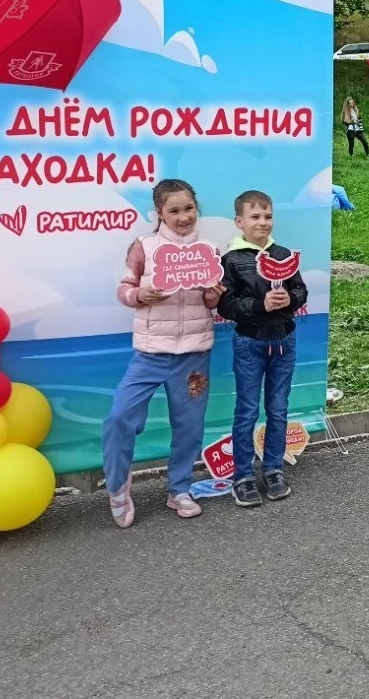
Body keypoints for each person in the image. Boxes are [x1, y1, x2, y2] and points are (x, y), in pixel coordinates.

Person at [102, 179, 224, 527]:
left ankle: (179, 489)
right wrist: (141, 295)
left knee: (189, 426)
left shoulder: (209, 250)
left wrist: (214, 295)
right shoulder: (144, 247)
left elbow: (211, 303)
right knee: (119, 418)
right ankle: (117, 487)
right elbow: (124, 289)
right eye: (174, 210)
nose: (183, 217)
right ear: (159, 213)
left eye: (189, 209)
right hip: (151, 353)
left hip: (194, 355)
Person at [218, 190, 308, 507]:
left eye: (268, 216)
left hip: (284, 340)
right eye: (255, 216)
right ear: (239, 222)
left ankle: (273, 469)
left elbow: (300, 290)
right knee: (246, 410)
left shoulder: (283, 255)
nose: (263, 222)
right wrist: (260, 305)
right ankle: (242, 476)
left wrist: (290, 299)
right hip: (249, 342)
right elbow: (226, 305)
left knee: (278, 408)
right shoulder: (231, 259)